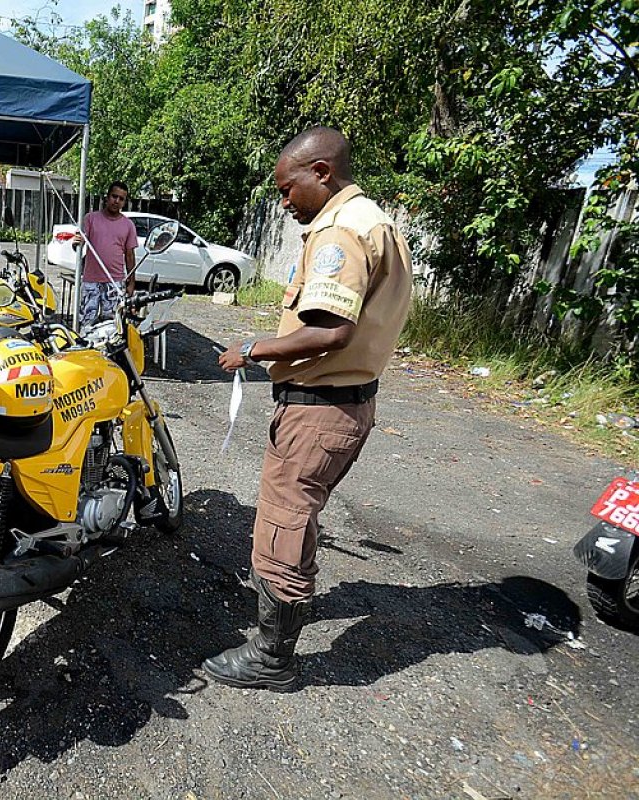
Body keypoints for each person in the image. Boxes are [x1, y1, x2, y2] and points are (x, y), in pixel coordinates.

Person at [204, 126, 413, 691]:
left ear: (321, 173)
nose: (284, 201)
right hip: (346, 402)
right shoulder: (373, 219)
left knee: (283, 524)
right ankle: (285, 620)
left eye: (287, 187)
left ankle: (273, 658)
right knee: (298, 518)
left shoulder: (340, 232)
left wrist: (252, 349)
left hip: (320, 409)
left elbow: (331, 329)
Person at [73, 181, 137, 328]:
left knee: (112, 326)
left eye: (121, 199)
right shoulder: (90, 218)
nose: (117, 201)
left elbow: (130, 256)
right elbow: (78, 244)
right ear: (107, 197)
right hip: (91, 281)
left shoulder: (128, 225)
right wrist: (77, 242)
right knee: (87, 323)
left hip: (114, 282)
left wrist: (131, 283)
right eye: (114, 196)